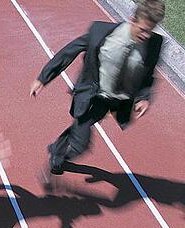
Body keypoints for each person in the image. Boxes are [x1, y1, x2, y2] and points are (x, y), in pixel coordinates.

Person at [30, 0, 164, 186]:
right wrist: (43, 78)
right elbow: (71, 50)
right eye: (142, 29)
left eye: (150, 30)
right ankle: (56, 161)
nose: (146, 35)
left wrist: (144, 97)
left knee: (80, 127)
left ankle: (56, 149)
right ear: (133, 20)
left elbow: (149, 72)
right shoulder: (101, 32)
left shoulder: (154, 43)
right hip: (92, 94)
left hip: (116, 101)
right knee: (80, 143)